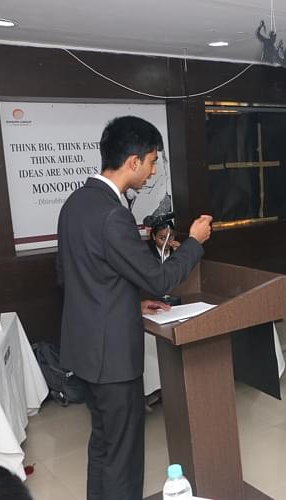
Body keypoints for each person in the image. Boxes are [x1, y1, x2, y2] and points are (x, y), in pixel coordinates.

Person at [56, 116, 212, 500]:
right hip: (112, 358)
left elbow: (74, 275)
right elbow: (160, 278)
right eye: (152, 162)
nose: (153, 171)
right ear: (132, 161)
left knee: (103, 445)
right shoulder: (114, 215)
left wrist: (130, 300)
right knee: (123, 457)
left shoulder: (75, 203)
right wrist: (194, 242)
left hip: (85, 350)